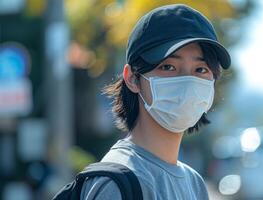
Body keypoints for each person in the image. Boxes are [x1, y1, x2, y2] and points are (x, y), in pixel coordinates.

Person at [81, 4, 231, 200]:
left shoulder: (194, 183)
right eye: (168, 67)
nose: (187, 83)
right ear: (133, 78)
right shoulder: (116, 184)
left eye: (201, 69)